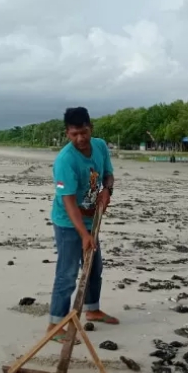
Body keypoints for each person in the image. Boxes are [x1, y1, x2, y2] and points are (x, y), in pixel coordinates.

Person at [48, 107, 117, 344]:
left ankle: (92, 309)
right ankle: (55, 325)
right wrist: (83, 234)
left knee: (94, 269)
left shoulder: (100, 146)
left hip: (92, 217)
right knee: (67, 274)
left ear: (91, 128)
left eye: (84, 132)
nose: (80, 138)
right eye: (74, 134)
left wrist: (107, 191)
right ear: (67, 133)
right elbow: (68, 202)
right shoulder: (65, 160)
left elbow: (108, 175)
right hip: (68, 222)